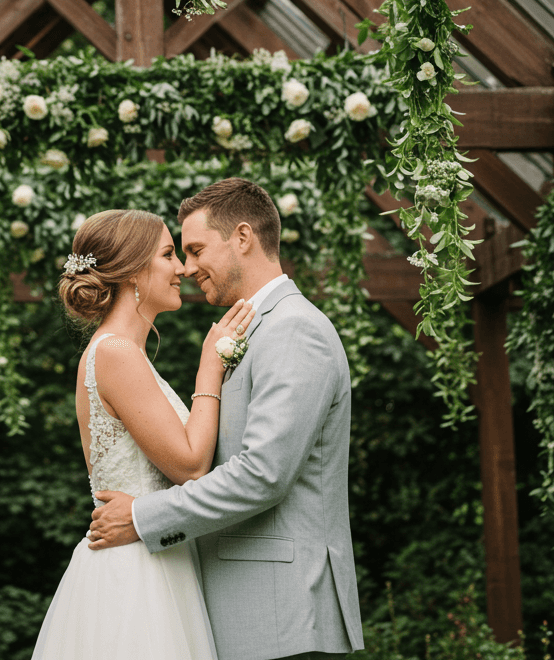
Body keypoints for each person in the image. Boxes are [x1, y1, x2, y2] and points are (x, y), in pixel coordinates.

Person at [88, 177, 364, 660]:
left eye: (195, 249)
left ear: (242, 237)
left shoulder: (294, 330)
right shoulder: (251, 331)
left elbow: (263, 474)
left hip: (283, 612)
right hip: (242, 608)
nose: (188, 267)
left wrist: (140, 516)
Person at [30, 207, 255, 660]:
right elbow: (190, 464)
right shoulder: (115, 352)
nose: (181, 269)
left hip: (156, 555)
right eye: (169, 254)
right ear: (132, 271)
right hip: (134, 575)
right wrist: (209, 369)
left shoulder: (124, 352)